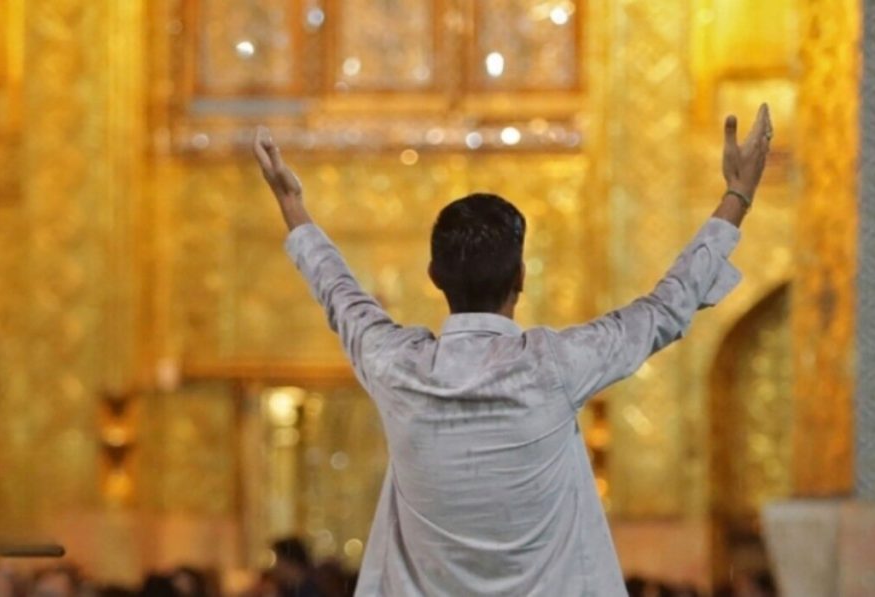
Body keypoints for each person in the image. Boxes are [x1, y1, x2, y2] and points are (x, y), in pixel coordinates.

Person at [252, 105, 773, 596]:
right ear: (521, 277)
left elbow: (338, 292)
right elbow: (665, 307)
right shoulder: (556, 367)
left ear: (434, 276)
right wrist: (738, 196)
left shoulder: (396, 367)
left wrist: (292, 205)